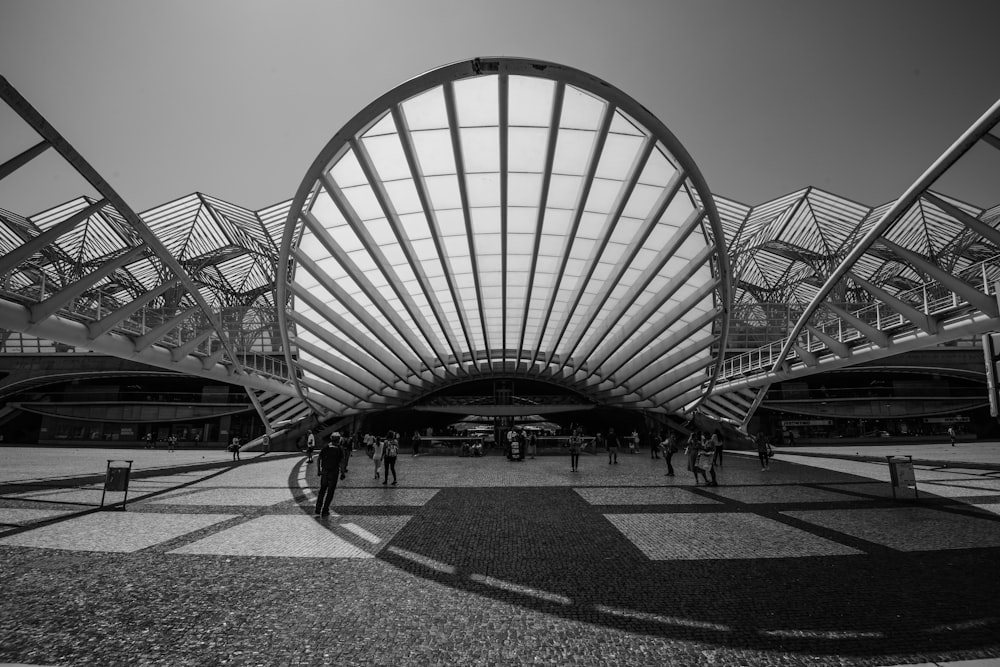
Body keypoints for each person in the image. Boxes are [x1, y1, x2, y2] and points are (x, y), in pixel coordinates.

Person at [315, 432, 345, 517]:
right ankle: (325, 510)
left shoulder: (325, 447)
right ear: (339, 440)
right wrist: (342, 473)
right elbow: (342, 462)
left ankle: (318, 508)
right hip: (334, 473)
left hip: (324, 472)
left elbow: (319, 459)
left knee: (322, 490)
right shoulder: (339, 449)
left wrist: (319, 470)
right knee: (330, 492)